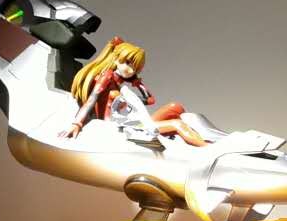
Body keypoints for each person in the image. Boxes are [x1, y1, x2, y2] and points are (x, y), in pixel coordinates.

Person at [62, 36, 207, 145]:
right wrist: (77, 123)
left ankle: (194, 139)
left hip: (135, 122)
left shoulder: (121, 86)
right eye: (128, 63)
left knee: (175, 107)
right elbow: (91, 100)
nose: (131, 70)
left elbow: (150, 100)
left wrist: (138, 83)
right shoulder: (107, 76)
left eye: (135, 68)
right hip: (121, 126)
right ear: (116, 59)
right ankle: (207, 149)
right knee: (177, 124)